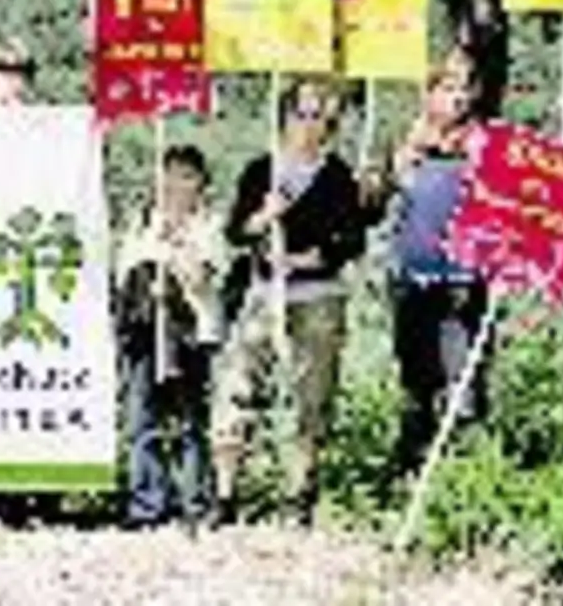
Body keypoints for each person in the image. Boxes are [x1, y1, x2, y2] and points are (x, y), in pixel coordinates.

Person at [211, 77, 369, 528]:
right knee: (237, 385)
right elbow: (236, 231)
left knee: (310, 396)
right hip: (263, 294)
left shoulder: (338, 176)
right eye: (303, 113)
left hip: (318, 297)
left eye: (321, 116)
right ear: (285, 116)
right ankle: (224, 494)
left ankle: (299, 494)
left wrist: (304, 256)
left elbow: (350, 241)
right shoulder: (262, 169)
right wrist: (265, 217)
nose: (310, 124)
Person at [362, 51, 491, 485]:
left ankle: (467, 481)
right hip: (412, 280)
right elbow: (370, 208)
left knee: (464, 386)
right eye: (447, 87)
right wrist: (391, 174)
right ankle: (411, 475)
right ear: (429, 92)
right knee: (417, 382)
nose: (457, 97)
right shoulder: (404, 140)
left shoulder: (483, 144)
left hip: (464, 282)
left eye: (463, 88)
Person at [113, 145, 226, 531]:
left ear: (201, 185)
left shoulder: (210, 226)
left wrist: (176, 247)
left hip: (193, 333)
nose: (176, 185)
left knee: (191, 420)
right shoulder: (140, 223)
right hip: (146, 332)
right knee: (142, 418)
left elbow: (201, 278)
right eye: (170, 175)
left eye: (187, 176)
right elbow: (123, 276)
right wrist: (150, 254)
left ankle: (195, 502)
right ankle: (147, 502)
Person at [0, 36, 35, 107]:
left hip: (14, 102)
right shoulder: (0, 68)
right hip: (3, 101)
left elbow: (25, 58)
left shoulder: (18, 69)